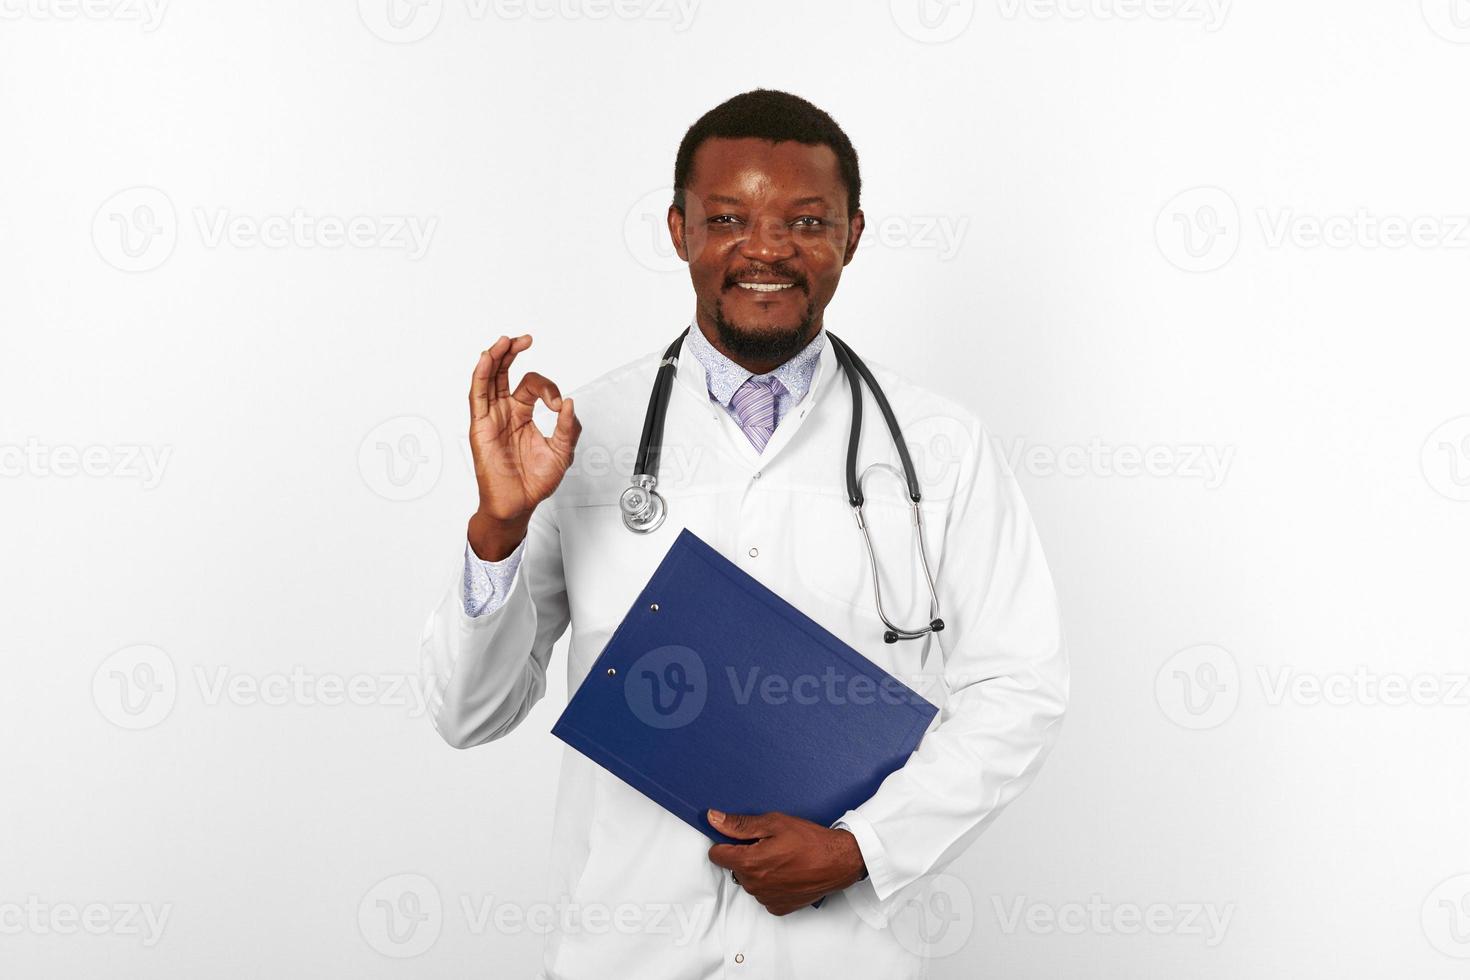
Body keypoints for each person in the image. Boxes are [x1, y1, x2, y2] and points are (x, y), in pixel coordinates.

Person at [419, 88, 1069, 978]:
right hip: (629, 952)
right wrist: (498, 528)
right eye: (728, 218)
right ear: (679, 230)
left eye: (806, 221)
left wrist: (863, 850)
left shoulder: (940, 447)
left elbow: (1018, 690)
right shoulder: (584, 435)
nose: (766, 249)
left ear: (854, 235)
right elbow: (469, 713)